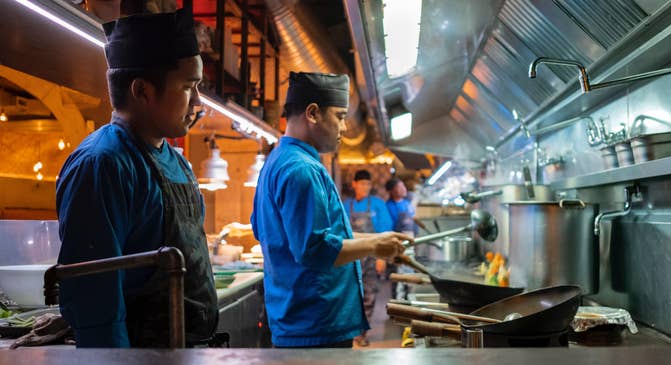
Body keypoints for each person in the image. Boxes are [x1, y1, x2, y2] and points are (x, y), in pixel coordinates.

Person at [55, 8, 218, 348]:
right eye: (189, 87)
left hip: (185, 350)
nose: (199, 103)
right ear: (142, 90)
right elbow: (95, 303)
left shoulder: (178, 162)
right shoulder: (102, 165)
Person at [251, 72, 411, 348]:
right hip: (313, 324)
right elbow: (314, 249)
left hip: (301, 320)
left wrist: (378, 240)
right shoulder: (301, 170)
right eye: (339, 116)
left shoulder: (277, 162)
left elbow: (321, 236)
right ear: (312, 113)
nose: (345, 127)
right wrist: (374, 247)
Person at [341, 170, 393, 346]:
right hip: (349, 258)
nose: (365, 187)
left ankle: (362, 333)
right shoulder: (345, 205)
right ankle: (351, 332)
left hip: (371, 257)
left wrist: (382, 258)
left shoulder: (378, 204)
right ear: (354, 184)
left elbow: (385, 232)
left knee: (369, 295)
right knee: (350, 295)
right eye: (362, 183)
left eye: (368, 184)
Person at [385, 177, 419, 299]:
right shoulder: (388, 206)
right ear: (392, 191)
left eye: (403, 186)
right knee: (398, 275)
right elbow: (388, 227)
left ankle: (409, 303)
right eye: (399, 187)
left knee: (410, 273)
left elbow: (414, 221)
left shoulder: (407, 203)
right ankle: (397, 307)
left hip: (410, 242)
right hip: (397, 243)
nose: (404, 189)